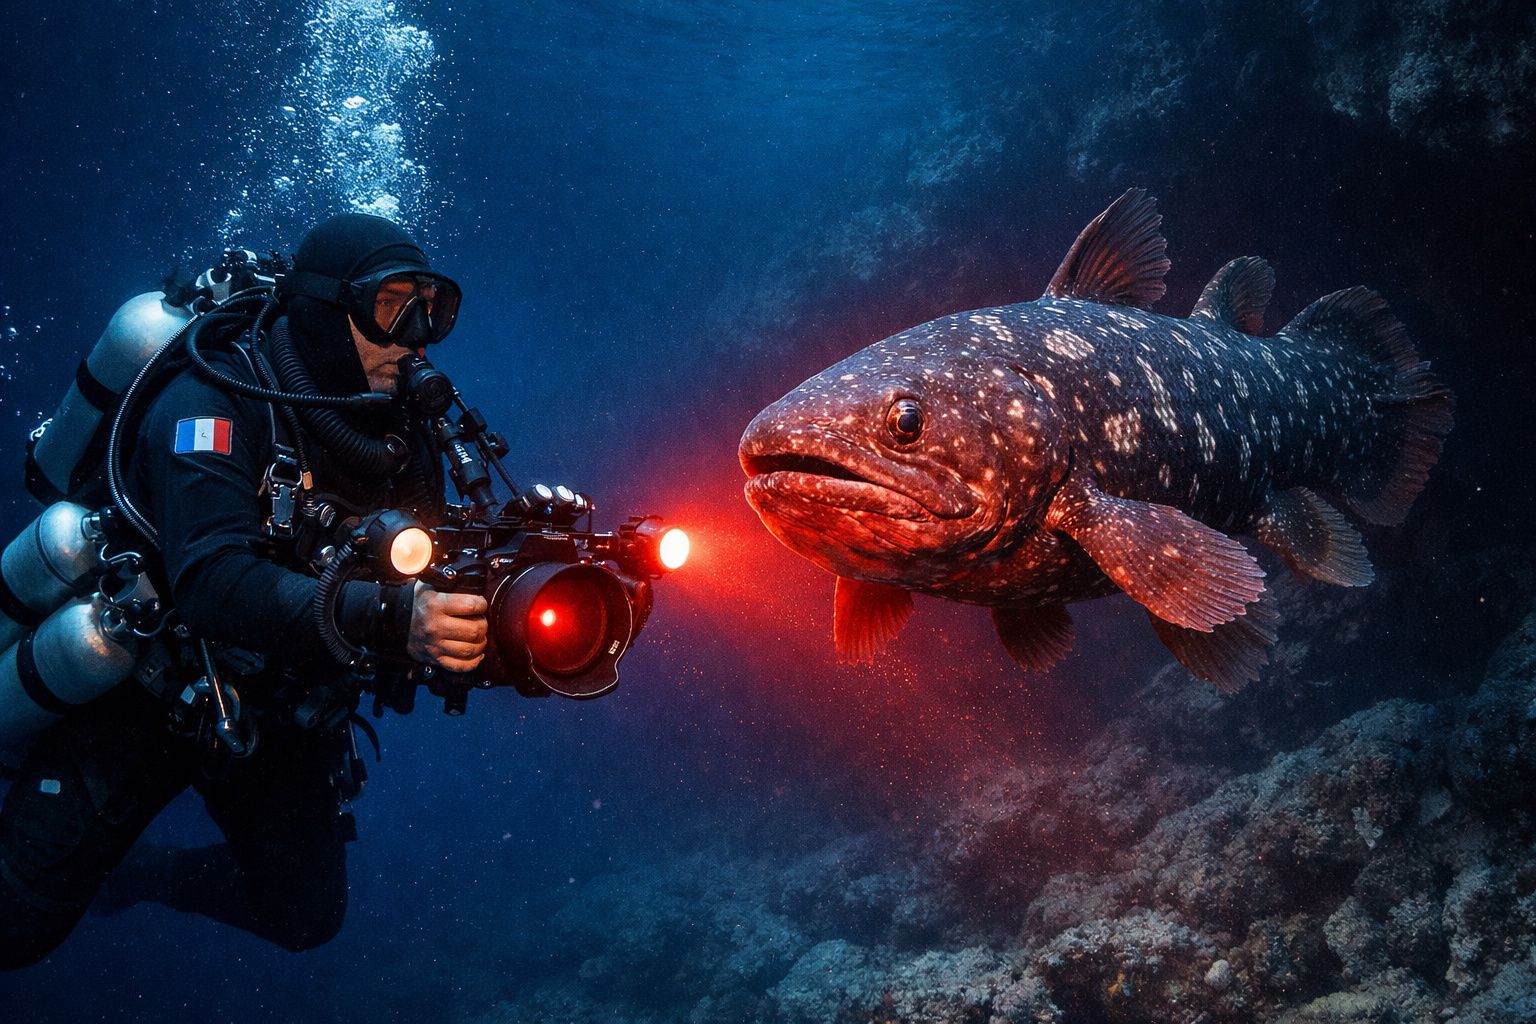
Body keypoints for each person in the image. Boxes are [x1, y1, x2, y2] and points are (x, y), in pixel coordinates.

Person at [0, 214, 487, 968]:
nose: (417, 334)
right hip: (147, 687)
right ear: (330, 308)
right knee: (14, 927)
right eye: (393, 306)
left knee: (306, 915)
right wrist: (391, 618)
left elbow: (434, 559)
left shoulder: (402, 424)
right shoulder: (212, 400)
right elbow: (212, 581)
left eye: (434, 307)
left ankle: (147, 876)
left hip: (284, 707)